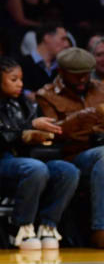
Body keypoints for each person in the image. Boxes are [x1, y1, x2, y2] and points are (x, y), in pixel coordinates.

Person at [0, 57, 79, 250]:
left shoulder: (23, 104)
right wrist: (27, 131)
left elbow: (29, 133)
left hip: (26, 159)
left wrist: (42, 135)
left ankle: (48, 225)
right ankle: (21, 226)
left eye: (21, 79)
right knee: (35, 169)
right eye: (14, 79)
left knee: (68, 170)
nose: (20, 84)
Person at [35, 48, 104, 248]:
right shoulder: (46, 95)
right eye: (77, 75)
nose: (83, 79)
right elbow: (55, 132)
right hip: (70, 155)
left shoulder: (101, 88)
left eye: (86, 73)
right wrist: (87, 117)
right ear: (62, 72)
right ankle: (100, 229)